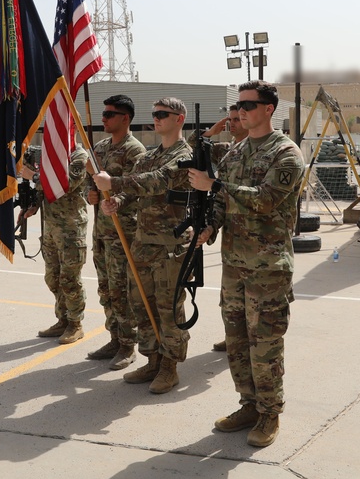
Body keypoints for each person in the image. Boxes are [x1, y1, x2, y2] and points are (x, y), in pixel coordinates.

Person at [187, 80, 303, 447]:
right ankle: (249, 404)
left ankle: (270, 414)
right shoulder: (236, 153)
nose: (239, 112)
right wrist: (209, 225)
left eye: (247, 106)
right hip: (234, 265)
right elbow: (222, 203)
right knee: (236, 341)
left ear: (268, 109)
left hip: (268, 267)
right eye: (237, 106)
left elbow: (266, 199)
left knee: (264, 342)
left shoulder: (286, 153)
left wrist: (216, 187)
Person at [92, 97, 192, 395]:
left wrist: (116, 184)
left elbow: (158, 181)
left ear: (180, 119)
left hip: (169, 245)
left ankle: (170, 367)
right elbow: (136, 191)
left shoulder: (184, 154)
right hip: (144, 241)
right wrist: (117, 201)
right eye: (155, 114)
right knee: (142, 304)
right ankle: (153, 359)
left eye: (163, 114)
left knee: (168, 307)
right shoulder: (150, 154)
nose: (157, 118)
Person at [85, 95, 146, 370]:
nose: (104, 118)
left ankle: (127, 344)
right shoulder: (100, 148)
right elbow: (92, 182)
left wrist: (117, 200)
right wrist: (92, 193)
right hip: (102, 231)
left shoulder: (136, 151)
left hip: (124, 231)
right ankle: (114, 337)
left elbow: (138, 189)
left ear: (125, 118)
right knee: (106, 288)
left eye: (110, 114)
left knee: (122, 289)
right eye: (103, 113)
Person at [21, 147, 90, 345]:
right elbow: (45, 190)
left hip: (71, 228)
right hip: (50, 226)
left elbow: (67, 184)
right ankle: (63, 319)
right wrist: (34, 205)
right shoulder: (53, 155)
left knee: (70, 278)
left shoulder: (79, 156)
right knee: (53, 277)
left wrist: (34, 176)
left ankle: (76, 323)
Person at [192, 104, 246, 353]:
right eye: (230, 120)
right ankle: (233, 336)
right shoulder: (228, 151)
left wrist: (213, 186)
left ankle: (246, 340)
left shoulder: (266, 151)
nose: (232, 124)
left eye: (237, 119)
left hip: (257, 237)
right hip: (232, 236)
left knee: (255, 299)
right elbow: (196, 146)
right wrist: (211, 131)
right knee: (230, 296)